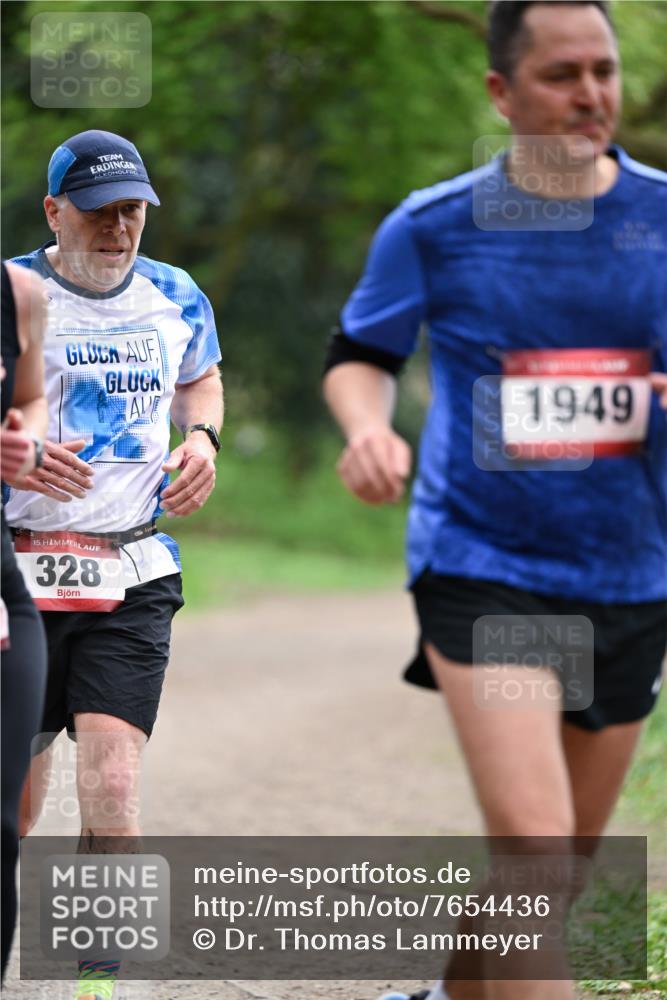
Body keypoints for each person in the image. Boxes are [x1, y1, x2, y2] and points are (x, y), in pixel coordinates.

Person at [323, 3, 667, 1000]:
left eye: (602, 70)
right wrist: (367, 428)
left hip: (631, 572)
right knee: (532, 846)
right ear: (499, 93)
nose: (591, 94)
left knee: (551, 876)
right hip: (487, 569)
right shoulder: (433, 226)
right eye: (562, 74)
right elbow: (360, 356)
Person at [5, 129, 223, 1000]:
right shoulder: (12, 293)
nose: (118, 228)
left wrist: (202, 436)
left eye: (132, 210)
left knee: (113, 780)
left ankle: (98, 982)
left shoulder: (177, 294)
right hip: (17, 573)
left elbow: (201, 380)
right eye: (98, 212)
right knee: (16, 805)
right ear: (54, 210)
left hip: (130, 572)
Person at [1, 260, 49, 979]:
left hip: (2, 593)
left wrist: (25, 442)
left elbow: (32, 400)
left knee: (2, 827)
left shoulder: (18, 294)